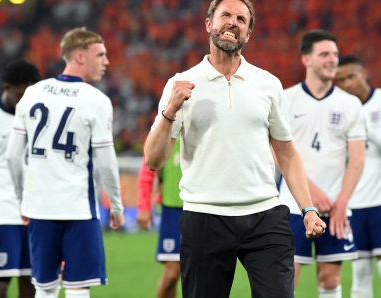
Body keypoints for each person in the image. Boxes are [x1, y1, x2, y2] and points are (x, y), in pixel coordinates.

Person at [143, 0, 326, 297]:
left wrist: (307, 208)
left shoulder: (268, 84)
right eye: (225, 15)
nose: (233, 22)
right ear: (208, 24)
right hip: (204, 216)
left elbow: (287, 153)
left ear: (248, 33)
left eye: (241, 19)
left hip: (265, 214)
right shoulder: (181, 84)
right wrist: (171, 111)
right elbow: (154, 159)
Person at [5, 27, 125, 298]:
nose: (106, 61)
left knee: (44, 289)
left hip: (39, 209)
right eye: (101, 55)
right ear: (80, 57)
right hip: (77, 210)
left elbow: (13, 157)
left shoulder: (33, 93)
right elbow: (106, 163)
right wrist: (116, 206)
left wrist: (22, 198)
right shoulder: (96, 100)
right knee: (77, 290)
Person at [278, 31, 366, 298]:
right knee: (286, 279)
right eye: (325, 54)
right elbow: (277, 152)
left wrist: (341, 204)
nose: (332, 60)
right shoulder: (286, 99)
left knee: (330, 279)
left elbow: (358, 160)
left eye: (335, 55)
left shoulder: (350, 104)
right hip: (293, 205)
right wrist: (310, 195)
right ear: (307, 59)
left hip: (335, 208)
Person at [335, 55, 381, 298]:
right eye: (341, 80)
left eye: (351, 76)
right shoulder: (340, 110)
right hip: (354, 202)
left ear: (363, 73)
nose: (346, 84)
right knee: (360, 271)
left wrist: (365, 129)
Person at [0, 59, 41, 298]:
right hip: (1, 215)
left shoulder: (38, 117)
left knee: (32, 284)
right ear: (7, 87)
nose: (26, 99)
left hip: (35, 214)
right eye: (21, 93)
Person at [137, 138, 183, 298]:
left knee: (206, 273)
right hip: (172, 208)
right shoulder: (168, 121)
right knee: (172, 273)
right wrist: (144, 206)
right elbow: (148, 165)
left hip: (204, 207)